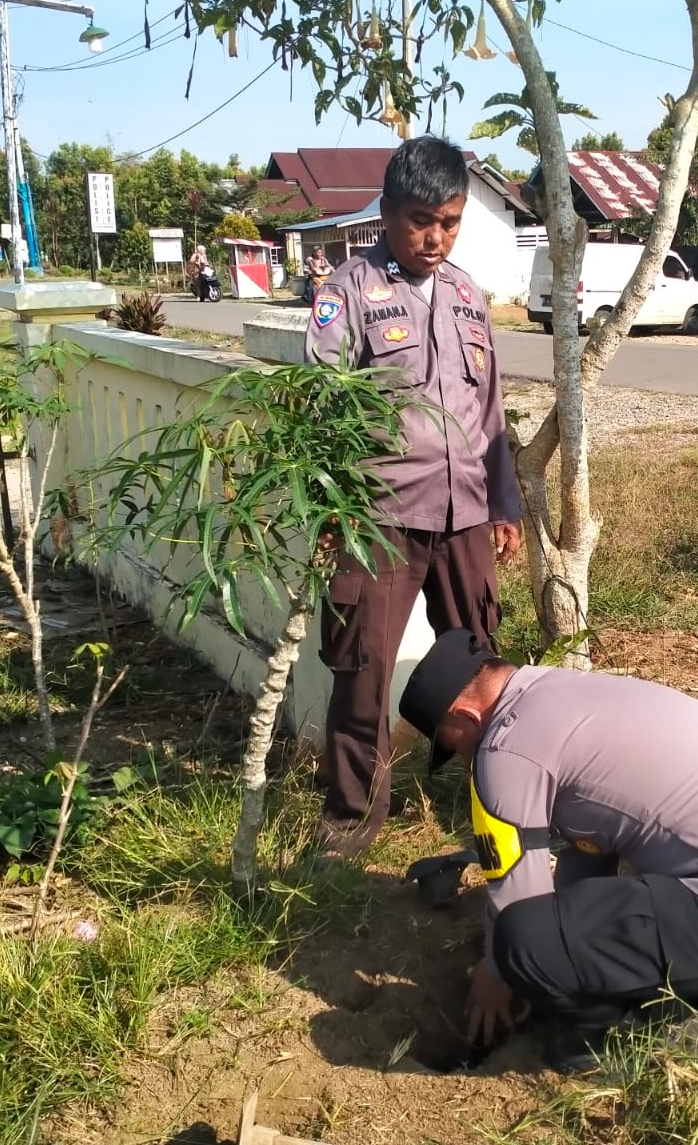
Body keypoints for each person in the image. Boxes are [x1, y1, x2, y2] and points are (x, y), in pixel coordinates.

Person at [398, 629, 698, 1074]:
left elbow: (517, 899)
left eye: (451, 744)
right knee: (556, 924)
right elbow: (590, 852)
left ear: (464, 716)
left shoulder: (505, 748)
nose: (463, 759)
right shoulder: (568, 692)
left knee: (519, 940)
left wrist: (499, 974)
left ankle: (646, 1029)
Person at [303, 136, 522, 855]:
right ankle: (351, 822)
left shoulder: (466, 295)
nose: (435, 238)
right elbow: (323, 411)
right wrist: (332, 509)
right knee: (362, 674)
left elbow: (489, 410)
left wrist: (506, 504)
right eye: (419, 220)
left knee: (482, 667)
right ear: (386, 214)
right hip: (379, 519)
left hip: (465, 517)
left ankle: (495, 808)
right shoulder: (347, 293)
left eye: (450, 222)